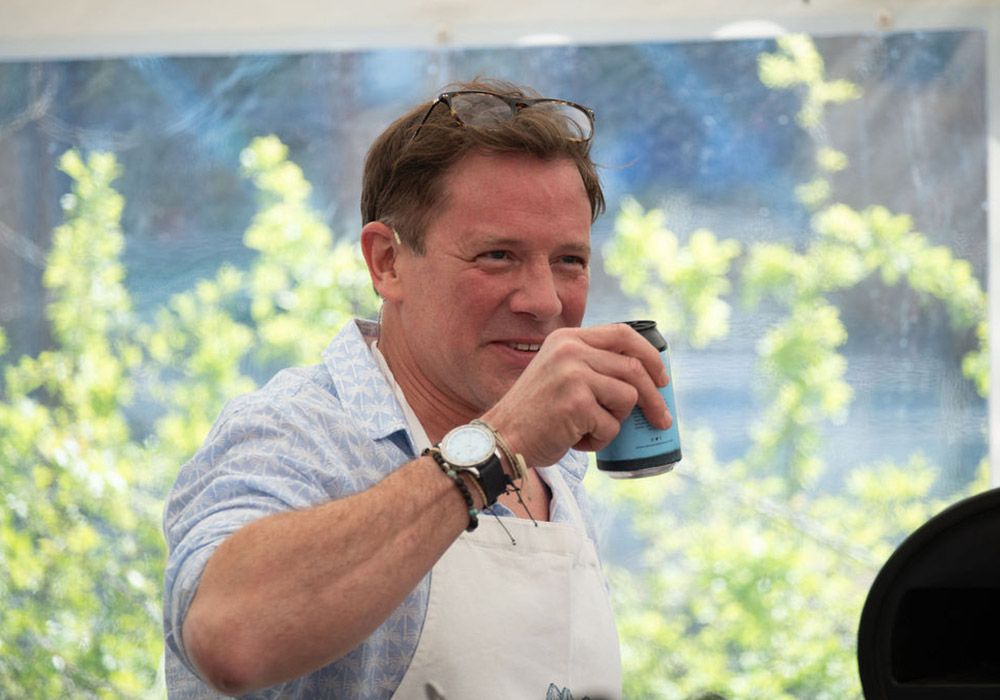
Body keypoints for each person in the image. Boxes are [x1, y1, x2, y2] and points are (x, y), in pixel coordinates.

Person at [162, 78, 672, 699]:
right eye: (497, 256)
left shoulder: (558, 466)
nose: (544, 301)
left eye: (569, 260)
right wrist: (497, 445)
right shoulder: (297, 434)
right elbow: (228, 637)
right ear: (387, 262)